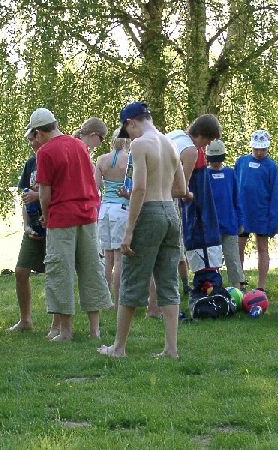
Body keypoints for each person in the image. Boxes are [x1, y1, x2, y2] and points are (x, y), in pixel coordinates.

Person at [98, 101, 186, 358]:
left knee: (131, 280)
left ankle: (118, 348)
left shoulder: (139, 144)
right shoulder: (170, 143)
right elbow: (181, 189)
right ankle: (171, 349)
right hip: (171, 213)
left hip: (149, 214)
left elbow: (139, 188)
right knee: (168, 281)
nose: (129, 137)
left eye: (128, 131)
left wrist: (128, 231)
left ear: (131, 122)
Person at [31, 108, 112, 341]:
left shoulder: (45, 152)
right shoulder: (80, 145)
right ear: (55, 124)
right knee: (91, 269)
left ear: (39, 132)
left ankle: (65, 331)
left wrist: (46, 216)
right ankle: (95, 330)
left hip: (62, 217)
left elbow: (45, 193)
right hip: (88, 215)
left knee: (60, 272)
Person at [166, 115, 221, 293]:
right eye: (208, 141)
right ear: (202, 135)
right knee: (175, 249)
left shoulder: (175, 135)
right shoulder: (191, 151)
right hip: (171, 203)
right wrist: (189, 195)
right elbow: (182, 189)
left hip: (152, 195)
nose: (206, 146)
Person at [7, 130, 47, 332]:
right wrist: (26, 225)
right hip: (33, 227)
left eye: (34, 139)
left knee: (55, 273)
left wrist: (37, 196)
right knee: (21, 271)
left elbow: (60, 192)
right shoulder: (31, 163)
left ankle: (59, 324)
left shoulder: (54, 159)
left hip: (54, 224)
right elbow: (25, 197)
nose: (32, 143)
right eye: (29, 140)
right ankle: (25, 320)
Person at [235, 129, 278, 292]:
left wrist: (275, 218)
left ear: (267, 148)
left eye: (263, 149)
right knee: (238, 248)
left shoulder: (271, 166)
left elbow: (276, 193)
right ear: (252, 147)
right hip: (242, 214)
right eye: (257, 149)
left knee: (262, 248)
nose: (260, 152)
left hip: (262, 214)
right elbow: (235, 185)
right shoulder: (241, 162)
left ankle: (261, 286)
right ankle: (239, 282)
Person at [94, 129, 130, 307]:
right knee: (118, 258)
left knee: (107, 258)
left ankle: (104, 300)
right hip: (121, 209)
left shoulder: (101, 160)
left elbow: (95, 186)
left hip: (104, 210)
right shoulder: (129, 159)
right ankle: (118, 301)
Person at [206, 140, 245, 289]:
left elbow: (237, 199)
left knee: (233, 258)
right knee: (212, 260)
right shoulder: (205, 174)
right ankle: (214, 289)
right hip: (211, 226)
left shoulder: (230, 173)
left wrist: (240, 221)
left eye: (218, 159)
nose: (216, 163)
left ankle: (238, 289)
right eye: (213, 160)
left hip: (230, 225)